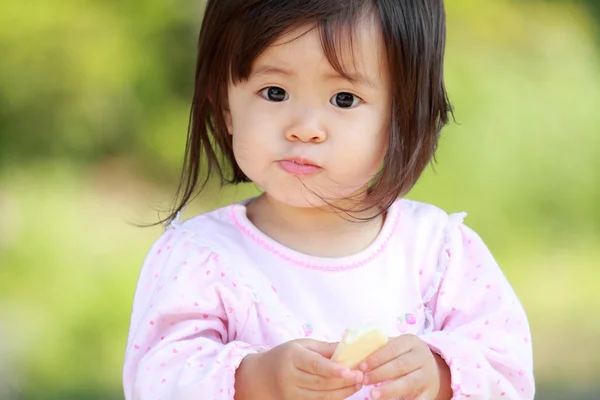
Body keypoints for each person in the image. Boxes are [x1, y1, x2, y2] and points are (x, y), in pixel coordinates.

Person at [122, 0, 535, 399]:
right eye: (274, 92)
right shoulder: (202, 259)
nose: (305, 129)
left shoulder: (438, 254)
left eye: (344, 99)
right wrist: (256, 380)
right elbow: (156, 380)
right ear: (226, 104)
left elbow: (509, 373)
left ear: (402, 116)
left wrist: (440, 374)